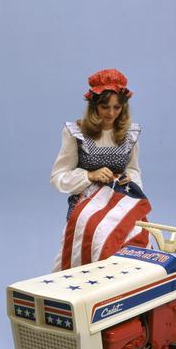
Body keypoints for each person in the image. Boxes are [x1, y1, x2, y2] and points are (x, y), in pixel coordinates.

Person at [50, 69, 148, 271]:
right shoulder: (76, 133)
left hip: (120, 202)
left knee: (132, 239)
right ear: (94, 105)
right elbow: (58, 177)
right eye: (105, 107)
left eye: (117, 107)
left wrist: (129, 178)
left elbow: (133, 169)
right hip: (87, 205)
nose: (111, 113)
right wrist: (89, 175)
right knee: (92, 241)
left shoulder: (129, 134)